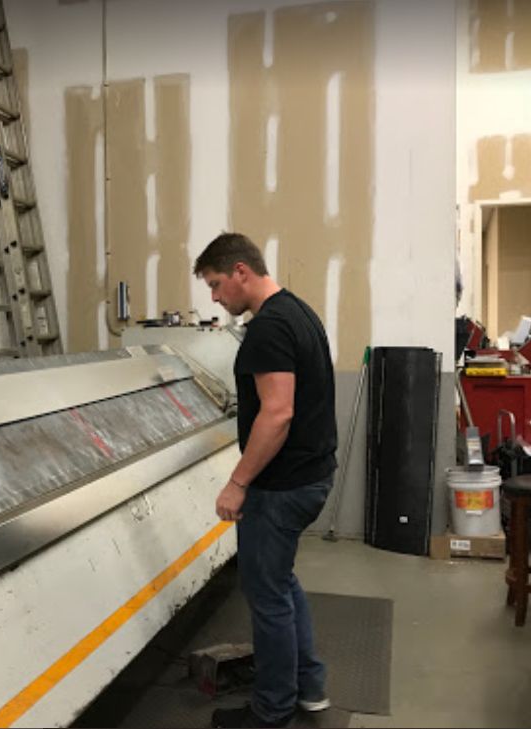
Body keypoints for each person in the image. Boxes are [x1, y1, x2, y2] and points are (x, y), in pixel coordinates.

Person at [193, 232, 338, 729]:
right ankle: (309, 687)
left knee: (266, 596)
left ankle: (271, 710)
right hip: (310, 475)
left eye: (216, 284)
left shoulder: (268, 329)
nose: (215, 297)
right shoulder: (298, 312)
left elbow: (277, 414)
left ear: (241, 271)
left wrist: (237, 482)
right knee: (280, 582)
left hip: (282, 487)